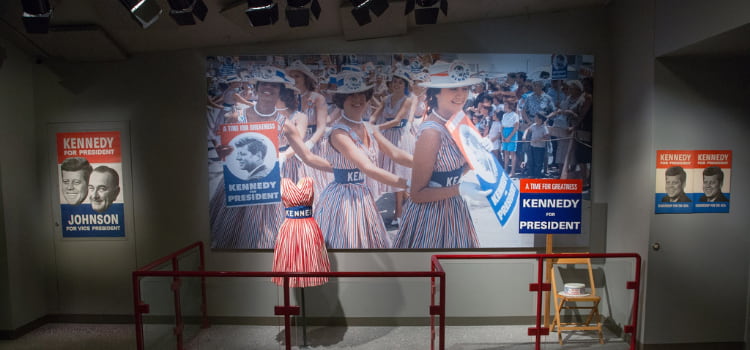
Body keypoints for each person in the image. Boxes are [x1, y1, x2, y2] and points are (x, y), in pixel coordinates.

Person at [393, 60, 489, 249]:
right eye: (453, 89)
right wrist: (459, 190)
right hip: (430, 216)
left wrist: (479, 155)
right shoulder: (432, 132)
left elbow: (451, 173)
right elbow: (417, 194)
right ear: (436, 92)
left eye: (464, 88)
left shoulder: (458, 120)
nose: (461, 95)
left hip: (453, 209)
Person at [314, 70, 412, 248]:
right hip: (343, 198)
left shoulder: (369, 127)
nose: (357, 99)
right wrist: (410, 184)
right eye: (350, 95)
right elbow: (367, 168)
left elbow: (396, 154)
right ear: (341, 100)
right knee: (347, 243)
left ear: (368, 98)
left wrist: (427, 165)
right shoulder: (339, 132)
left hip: (363, 194)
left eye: (361, 94)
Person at [523, 113, 550, 178]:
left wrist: (539, 139)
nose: (535, 118)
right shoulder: (533, 125)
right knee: (531, 160)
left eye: (536, 117)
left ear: (540, 119)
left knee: (538, 162)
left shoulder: (544, 128)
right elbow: (527, 130)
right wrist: (524, 136)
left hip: (540, 148)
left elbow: (547, 137)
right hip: (532, 146)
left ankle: (537, 175)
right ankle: (531, 174)